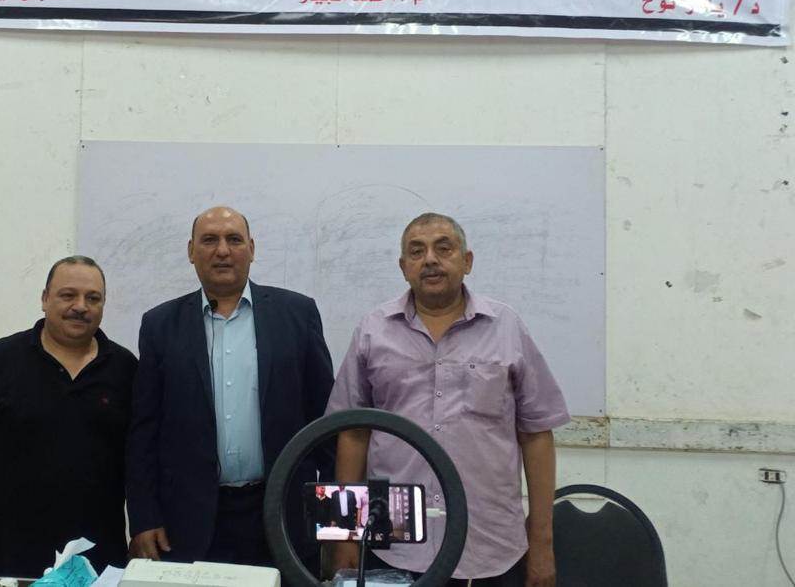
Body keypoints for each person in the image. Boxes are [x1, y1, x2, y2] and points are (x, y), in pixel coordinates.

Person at [328, 213, 570, 587]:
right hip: (393, 539)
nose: (430, 259)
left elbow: (536, 434)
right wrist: (345, 536)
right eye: (417, 251)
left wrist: (542, 542)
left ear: (467, 261)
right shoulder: (373, 330)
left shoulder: (506, 327)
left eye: (444, 248)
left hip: (488, 542)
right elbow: (352, 433)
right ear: (403, 267)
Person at [126, 206, 334, 572]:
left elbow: (325, 423)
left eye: (234, 240)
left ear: (251, 249)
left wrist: (336, 523)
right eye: (209, 240)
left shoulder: (297, 314)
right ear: (191, 251)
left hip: (283, 514)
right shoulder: (160, 325)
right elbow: (144, 430)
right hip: (187, 522)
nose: (222, 250)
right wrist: (144, 517)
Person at [0, 256, 137, 586]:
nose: (81, 306)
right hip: (9, 556)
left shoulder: (126, 369)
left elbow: (143, 461)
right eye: (68, 295)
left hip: (98, 559)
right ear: (45, 298)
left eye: (93, 298)